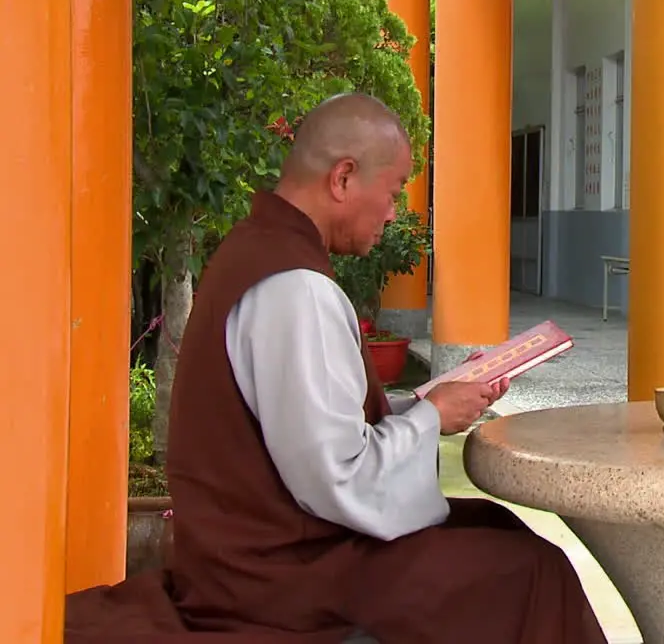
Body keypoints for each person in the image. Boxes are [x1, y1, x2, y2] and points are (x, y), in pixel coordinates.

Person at [64, 93, 609, 644]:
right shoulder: (294, 287)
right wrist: (430, 419)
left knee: (496, 530)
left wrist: (429, 401)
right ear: (343, 178)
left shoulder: (255, 251)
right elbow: (338, 477)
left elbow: (309, 429)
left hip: (253, 551)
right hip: (280, 575)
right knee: (533, 571)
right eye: (394, 192)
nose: (396, 211)